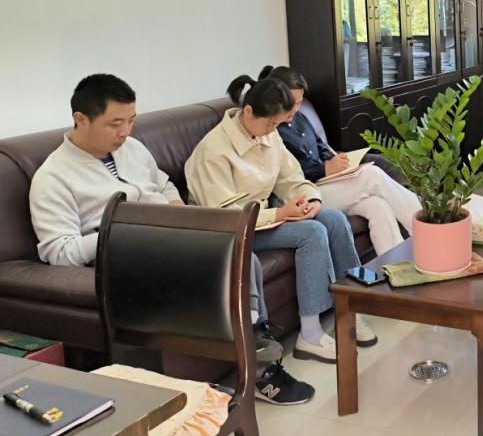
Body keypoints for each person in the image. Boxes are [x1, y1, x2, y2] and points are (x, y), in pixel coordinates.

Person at [28, 74, 306, 402]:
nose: (125, 132)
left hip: (173, 236)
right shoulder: (53, 178)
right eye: (115, 124)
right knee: (230, 263)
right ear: (81, 119)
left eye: (131, 121)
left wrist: (174, 207)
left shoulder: (131, 148)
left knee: (242, 254)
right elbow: (59, 252)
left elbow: (163, 183)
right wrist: (127, 228)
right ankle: (258, 361)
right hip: (128, 257)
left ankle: (255, 339)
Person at [185, 74, 379, 369]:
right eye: (271, 124)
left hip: (264, 217)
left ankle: (352, 309)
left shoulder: (267, 133)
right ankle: (310, 334)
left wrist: (310, 199)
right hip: (231, 230)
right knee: (311, 232)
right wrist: (279, 214)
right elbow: (225, 214)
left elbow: (292, 178)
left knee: (333, 219)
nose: (273, 131)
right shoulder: (214, 151)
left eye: (277, 125)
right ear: (248, 111)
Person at [257, 65, 420, 255]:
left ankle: (396, 264)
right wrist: (324, 169)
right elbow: (286, 176)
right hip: (302, 196)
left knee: (377, 205)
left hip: (329, 185)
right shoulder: (269, 129)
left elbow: (321, 147)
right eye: (291, 103)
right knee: (372, 176)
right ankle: (427, 227)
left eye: (299, 102)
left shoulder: (300, 118)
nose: (295, 109)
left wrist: (337, 161)